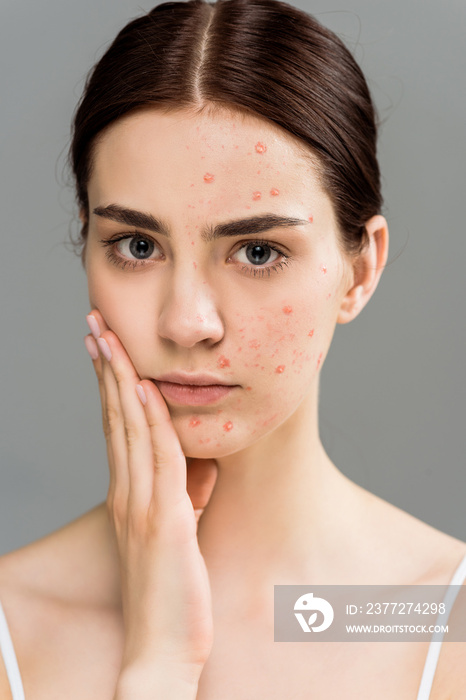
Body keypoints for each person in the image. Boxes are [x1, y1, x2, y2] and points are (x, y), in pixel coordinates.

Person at [0, 0, 465, 697]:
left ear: (360, 270)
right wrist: (158, 661)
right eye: (137, 246)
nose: (187, 323)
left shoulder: (438, 622)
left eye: (256, 250)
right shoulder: (13, 623)